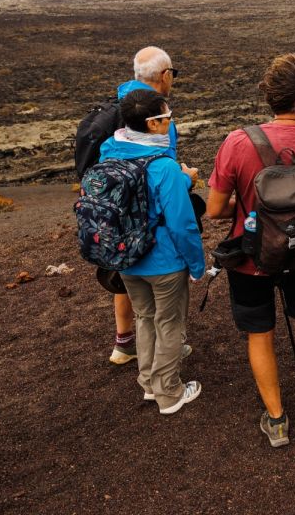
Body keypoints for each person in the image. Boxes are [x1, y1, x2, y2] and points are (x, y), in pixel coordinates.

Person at [206, 54, 295, 448]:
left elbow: (215, 210)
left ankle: (277, 419)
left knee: (259, 334)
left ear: (270, 97)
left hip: (250, 257)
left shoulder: (238, 141)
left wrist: (251, 207)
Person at [98, 89, 205, 414]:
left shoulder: (109, 154)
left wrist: (181, 182)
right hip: (165, 262)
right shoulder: (164, 167)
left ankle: (148, 383)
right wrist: (197, 265)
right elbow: (182, 224)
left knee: (144, 317)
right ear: (154, 124)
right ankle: (169, 393)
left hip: (128, 258)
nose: (171, 122)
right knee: (169, 322)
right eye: (168, 117)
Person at [109, 46, 196, 365]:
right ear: (165, 75)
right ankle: (166, 369)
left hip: (115, 216)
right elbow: (163, 179)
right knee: (162, 295)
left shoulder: (121, 104)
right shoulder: (157, 116)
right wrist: (186, 179)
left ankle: (124, 343)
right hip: (151, 229)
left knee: (127, 276)